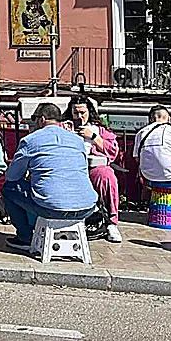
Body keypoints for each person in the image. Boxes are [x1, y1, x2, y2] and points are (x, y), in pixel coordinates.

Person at [1, 103, 99, 250]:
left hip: (52, 208)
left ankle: (24, 237)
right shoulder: (77, 140)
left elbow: (13, 176)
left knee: (9, 189)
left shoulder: (30, 140)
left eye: (33, 120)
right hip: (87, 207)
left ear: (41, 119)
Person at [65, 96, 122, 243]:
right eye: (76, 113)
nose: (79, 116)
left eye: (83, 112)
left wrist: (94, 137)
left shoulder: (99, 130)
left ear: (89, 112)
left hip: (92, 166)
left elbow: (113, 151)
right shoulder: (64, 126)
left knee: (107, 177)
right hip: (69, 167)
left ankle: (111, 223)